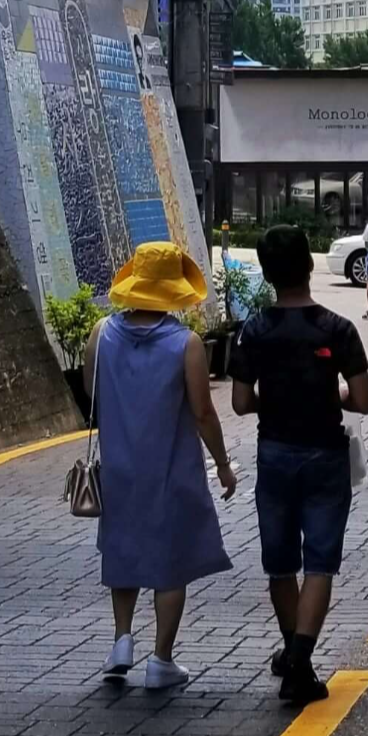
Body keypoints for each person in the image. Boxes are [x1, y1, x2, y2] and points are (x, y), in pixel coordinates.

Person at [229, 226, 368, 705]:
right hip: (325, 456)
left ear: (269, 275)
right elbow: (363, 401)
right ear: (309, 267)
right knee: (320, 563)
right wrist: (326, 393)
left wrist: (276, 398)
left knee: (280, 565)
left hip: (273, 454)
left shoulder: (253, 330)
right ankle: (298, 664)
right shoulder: (337, 329)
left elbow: (239, 403)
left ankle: (294, 655)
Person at [88, 242, 237, 690]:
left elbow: (90, 392)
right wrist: (224, 466)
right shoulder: (186, 344)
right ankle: (161, 660)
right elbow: (204, 414)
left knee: (124, 551)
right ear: (174, 289)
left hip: (119, 468)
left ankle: (121, 641)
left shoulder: (101, 333)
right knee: (171, 563)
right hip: (171, 468)